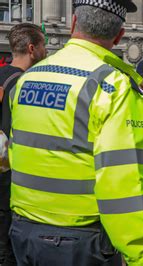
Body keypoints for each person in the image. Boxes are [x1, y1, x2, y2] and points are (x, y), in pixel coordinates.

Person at [8, 1, 143, 265]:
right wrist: (139, 257)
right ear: (119, 36)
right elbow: (122, 184)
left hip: (23, 231)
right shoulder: (112, 86)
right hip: (77, 242)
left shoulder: (28, 78)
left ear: (74, 22)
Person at [0, 22, 46, 266]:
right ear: (32, 49)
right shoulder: (25, 84)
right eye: (43, 46)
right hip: (10, 182)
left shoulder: (1, 75)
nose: (45, 52)